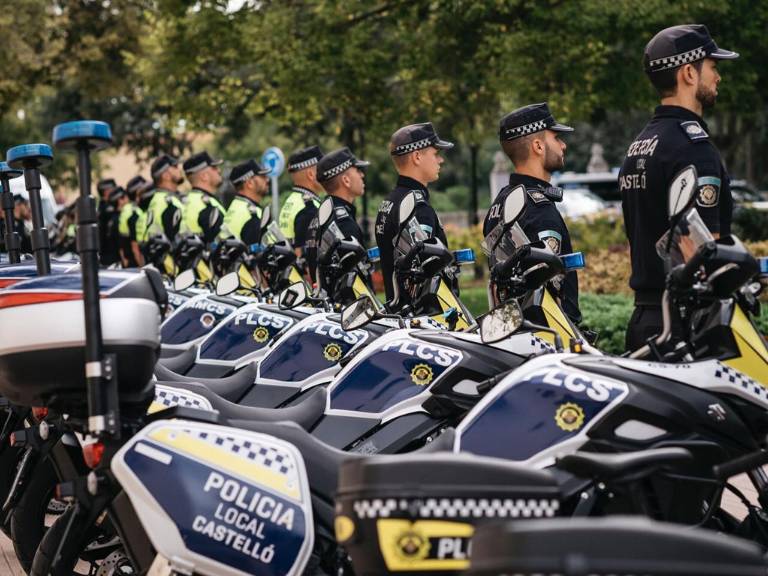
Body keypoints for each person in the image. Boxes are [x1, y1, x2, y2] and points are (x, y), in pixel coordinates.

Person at [619, 24, 738, 351]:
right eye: (713, 67)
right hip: (686, 325)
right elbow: (702, 252)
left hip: (644, 318)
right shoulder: (693, 148)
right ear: (688, 72)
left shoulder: (640, 144)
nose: (718, 77)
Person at [483, 103, 581, 325]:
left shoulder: (501, 201)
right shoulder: (538, 208)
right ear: (538, 145)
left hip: (511, 328)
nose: (563, 145)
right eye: (556, 138)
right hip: (547, 336)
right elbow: (552, 289)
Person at [375, 122, 454, 305]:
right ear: (417, 156)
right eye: (435, 154)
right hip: (421, 322)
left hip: (398, 314)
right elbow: (423, 277)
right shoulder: (417, 208)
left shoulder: (390, 201)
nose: (440, 160)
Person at [305, 147, 369, 282]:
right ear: (346, 180)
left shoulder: (321, 215)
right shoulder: (342, 222)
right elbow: (356, 281)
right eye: (357, 170)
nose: (362, 175)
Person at [278, 145, 324, 257]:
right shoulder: (309, 208)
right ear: (311, 174)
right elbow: (305, 259)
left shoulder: (292, 200)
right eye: (322, 168)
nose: (326, 172)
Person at [220, 159, 270, 244]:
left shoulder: (236, 207)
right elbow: (256, 254)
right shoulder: (251, 215)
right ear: (250, 183)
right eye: (263, 176)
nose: (267, 180)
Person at [181, 151, 226, 244]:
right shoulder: (207, 206)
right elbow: (223, 247)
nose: (219, 170)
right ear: (204, 176)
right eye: (214, 167)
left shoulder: (186, 201)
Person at [142, 154, 184, 244]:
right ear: (166, 176)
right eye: (175, 167)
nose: (179, 169)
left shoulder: (158, 199)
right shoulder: (168, 202)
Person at [119, 175, 150, 267]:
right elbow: (135, 247)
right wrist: (143, 269)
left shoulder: (128, 211)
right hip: (138, 264)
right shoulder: (136, 214)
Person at [96, 178, 120, 265]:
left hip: (107, 253)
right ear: (106, 192)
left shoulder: (102, 207)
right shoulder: (106, 209)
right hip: (110, 254)